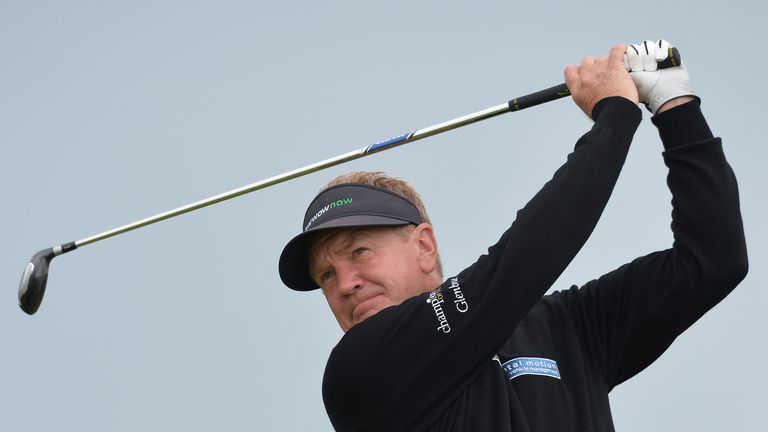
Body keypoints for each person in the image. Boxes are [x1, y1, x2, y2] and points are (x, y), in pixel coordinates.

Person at [278, 40, 748, 431]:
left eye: (359, 252)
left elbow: (712, 260)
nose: (345, 284)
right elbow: (523, 259)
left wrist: (674, 106)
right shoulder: (361, 368)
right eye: (326, 276)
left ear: (423, 246)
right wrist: (616, 114)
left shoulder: (564, 326)